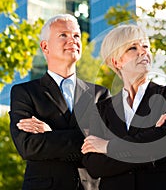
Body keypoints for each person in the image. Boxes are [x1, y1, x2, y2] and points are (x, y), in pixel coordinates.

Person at [81, 24, 166, 190]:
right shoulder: (102, 110)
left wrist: (108, 146)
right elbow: (95, 166)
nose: (143, 52)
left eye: (146, 46)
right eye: (132, 48)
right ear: (116, 61)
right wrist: (150, 142)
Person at [9, 14, 110, 190]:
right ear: (45, 46)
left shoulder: (99, 94)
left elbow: (107, 146)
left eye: (76, 36)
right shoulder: (24, 92)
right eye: (63, 35)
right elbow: (28, 147)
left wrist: (50, 134)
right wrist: (87, 138)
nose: (72, 40)